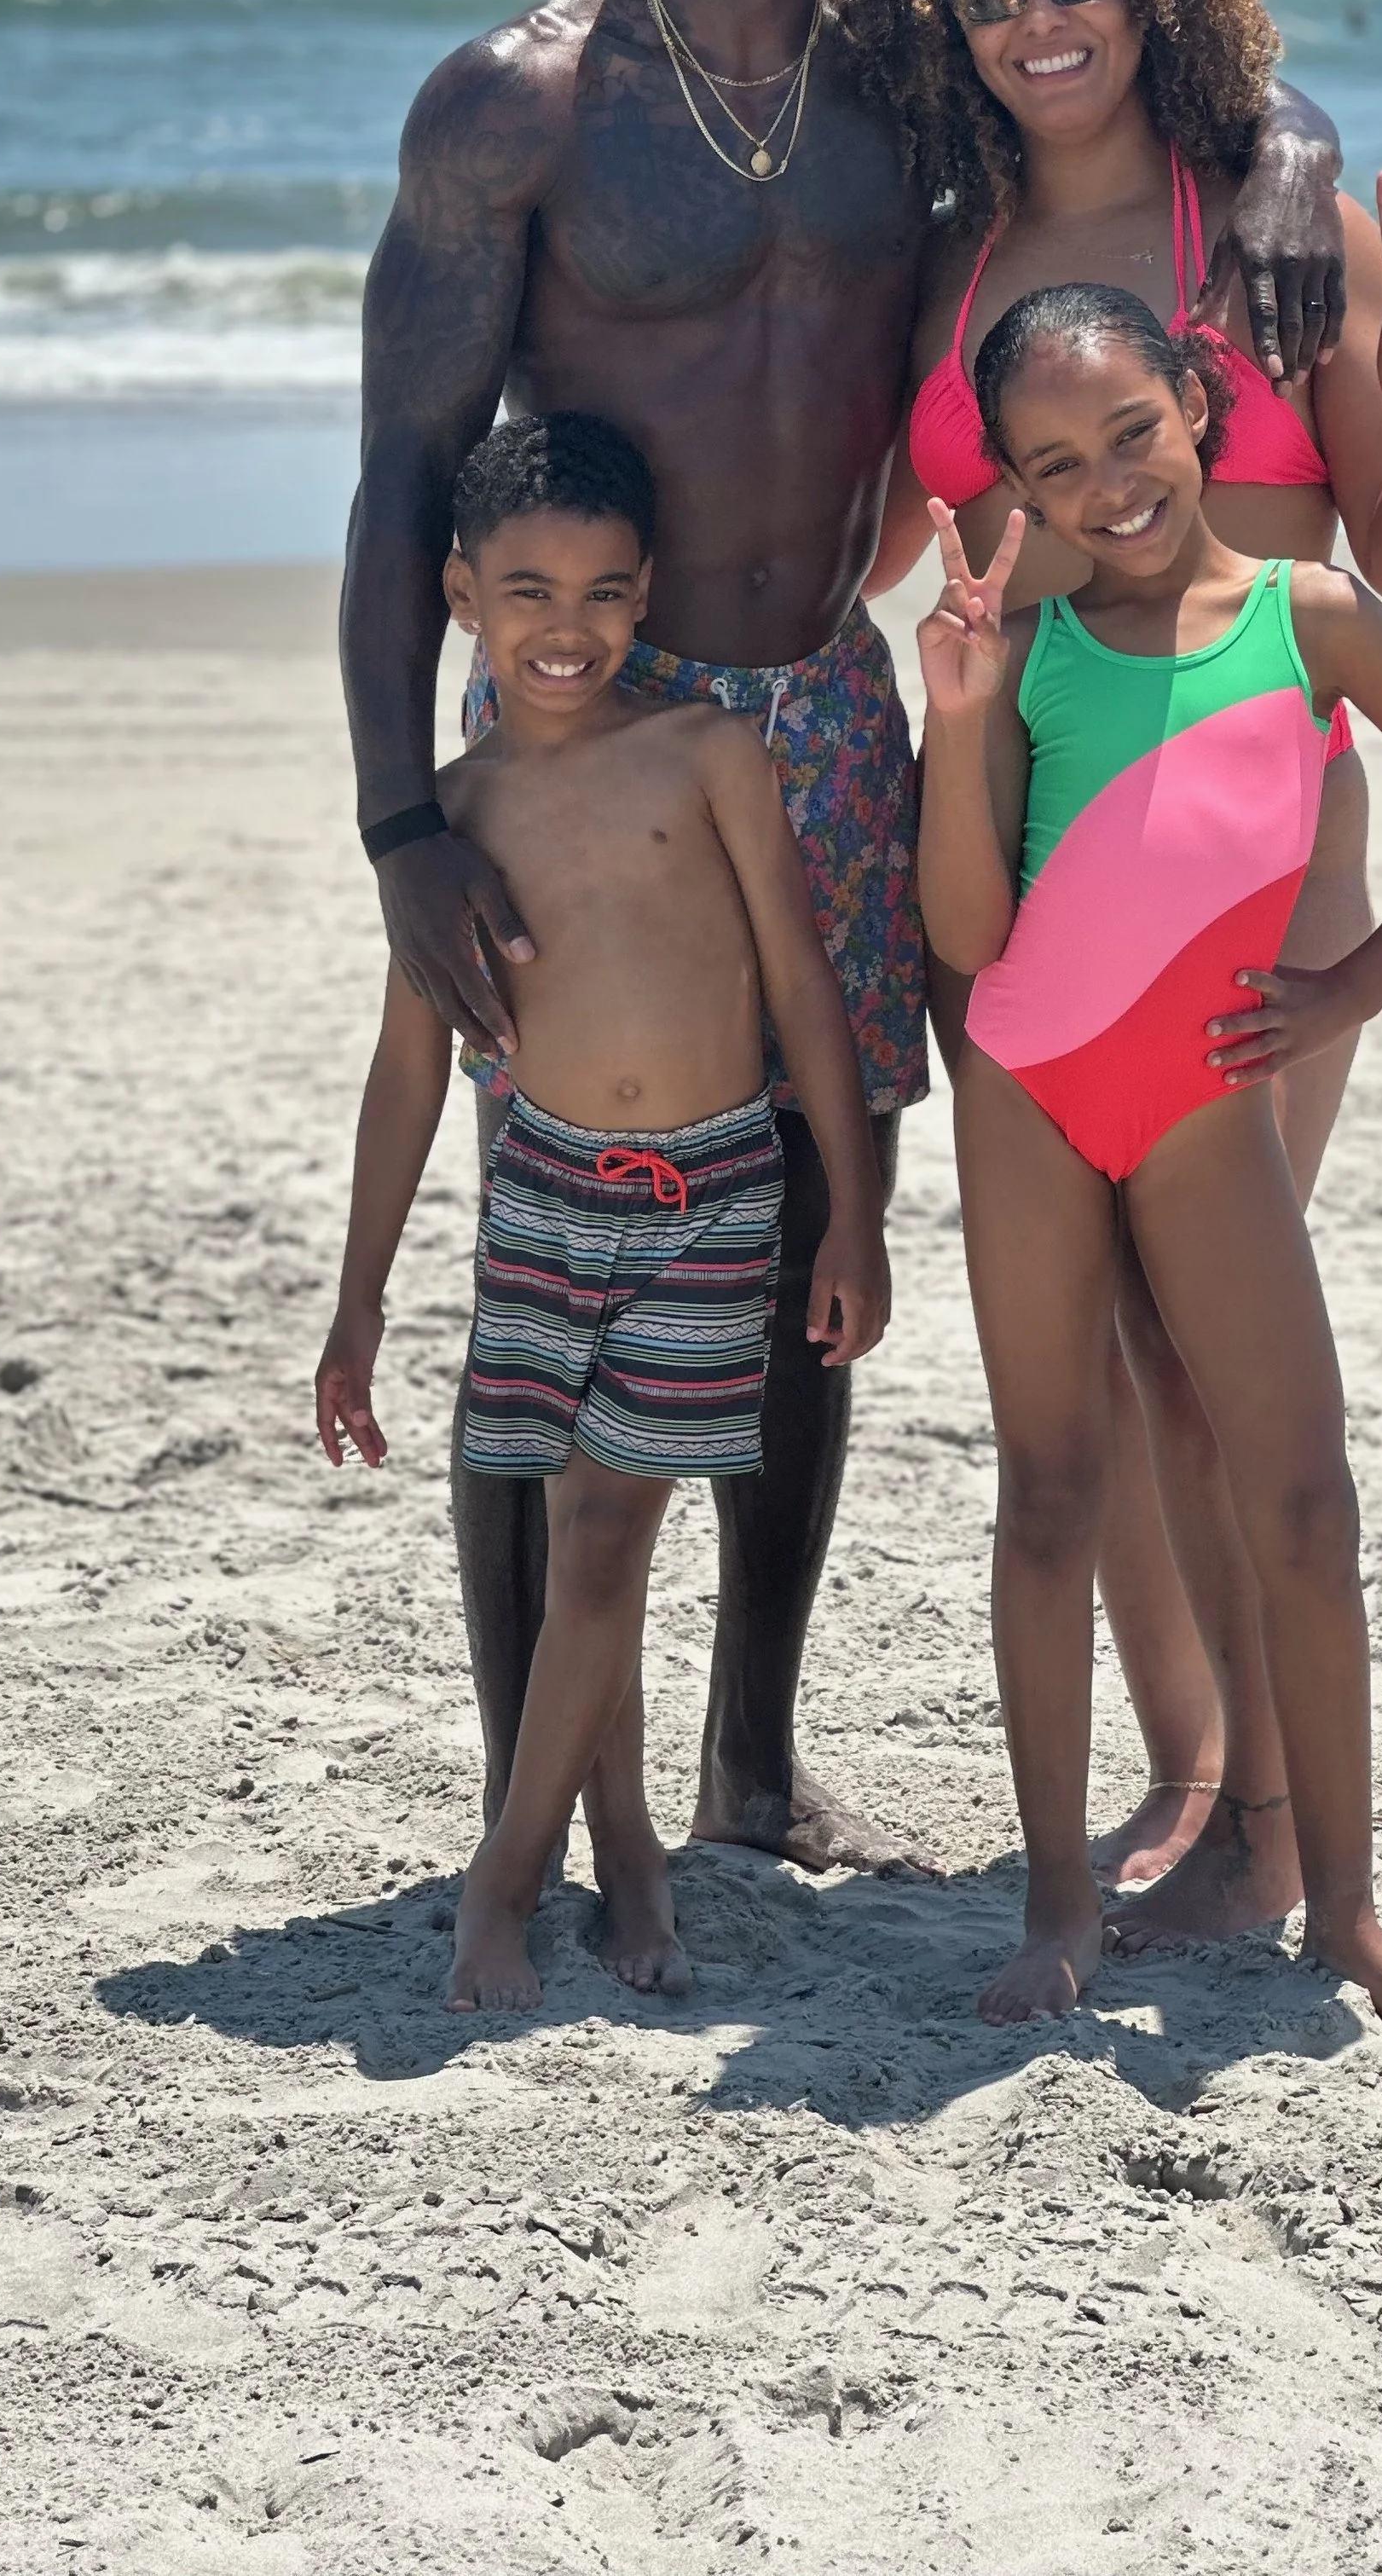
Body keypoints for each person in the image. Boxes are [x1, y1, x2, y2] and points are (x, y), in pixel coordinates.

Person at [342, 0, 1351, 1878]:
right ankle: (536, 1766)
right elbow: (396, 484)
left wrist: (1295, 150)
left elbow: (1157, 98)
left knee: (813, 1209)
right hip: (596, 717)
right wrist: (401, 811)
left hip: (821, 703)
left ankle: (753, 1754)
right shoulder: (517, 101)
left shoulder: (903, 114)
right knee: (563, 1230)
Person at [830, 0, 1382, 1919]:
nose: (1038, 25)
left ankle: (1279, 1827)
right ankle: (1192, 1771)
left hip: (1252, 868)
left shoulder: (1283, 232)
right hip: (1011, 868)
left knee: (1208, 1343)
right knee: (1097, 1358)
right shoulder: (941, 268)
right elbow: (877, 551)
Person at [913, 285, 1382, 2029]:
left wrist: (1346, 985)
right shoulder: (1016, 658)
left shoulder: (1308, 617)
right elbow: (967, 937)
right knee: (1048, 1490)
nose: (1106, 480)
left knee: (1302, 1499)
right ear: (1014, 495)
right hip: (1029, 1091)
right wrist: (954, 719)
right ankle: (1056, 1910)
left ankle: (1345, 1921)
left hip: (1200, 1108)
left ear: (1196, 404)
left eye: (1130, 430)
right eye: (1053, 464)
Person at [316, 413, 889, 2010]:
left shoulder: (707, 755)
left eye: (604, 593)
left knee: (610, 1538)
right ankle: (627, 1843)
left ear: (647, 596)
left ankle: (507, 1877)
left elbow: (806, 994)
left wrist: (850, 1215)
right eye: (526, 593)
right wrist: (360, 1300)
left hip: (711, 1194)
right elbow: (404, 1072)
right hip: (545, 1200)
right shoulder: (449, 815)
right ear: (459, 595)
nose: (565, 629)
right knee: (588, 1544)